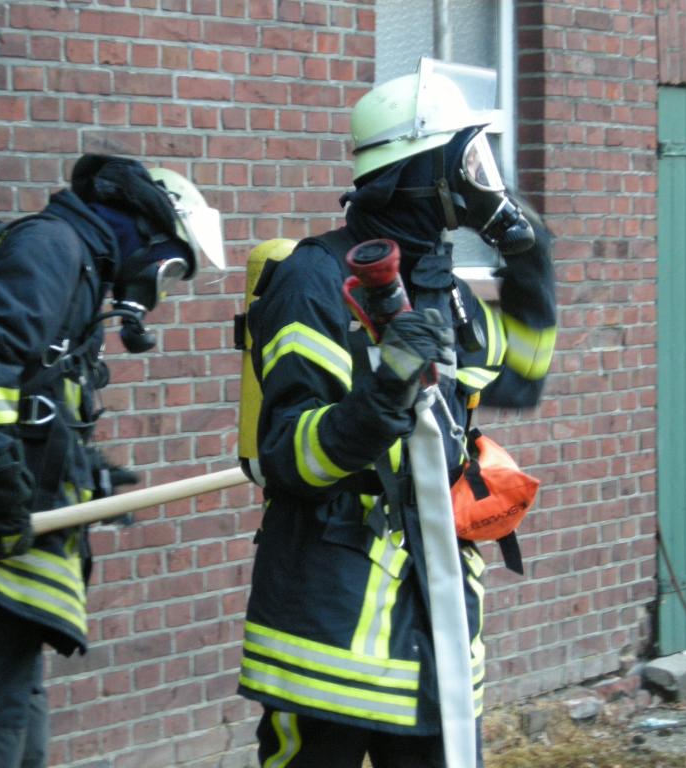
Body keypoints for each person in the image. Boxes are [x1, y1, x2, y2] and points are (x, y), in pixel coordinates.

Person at [238, 59, 557, 766]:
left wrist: (531, 263)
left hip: (433, 628)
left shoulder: (448, 294)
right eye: (466, 162)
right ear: (420, 173)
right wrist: (385, 391)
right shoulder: (314, 280)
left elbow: (521, 375)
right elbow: (290, 455)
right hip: (330, 629)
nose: (479, 182)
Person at [0, 154, 224, 766]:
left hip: (19, 569)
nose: (160, 285)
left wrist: (88, 476)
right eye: (172, 265)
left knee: (15, 750)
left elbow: (39, 408)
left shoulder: (78, 269)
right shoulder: (52, 248)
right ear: (146, 231)